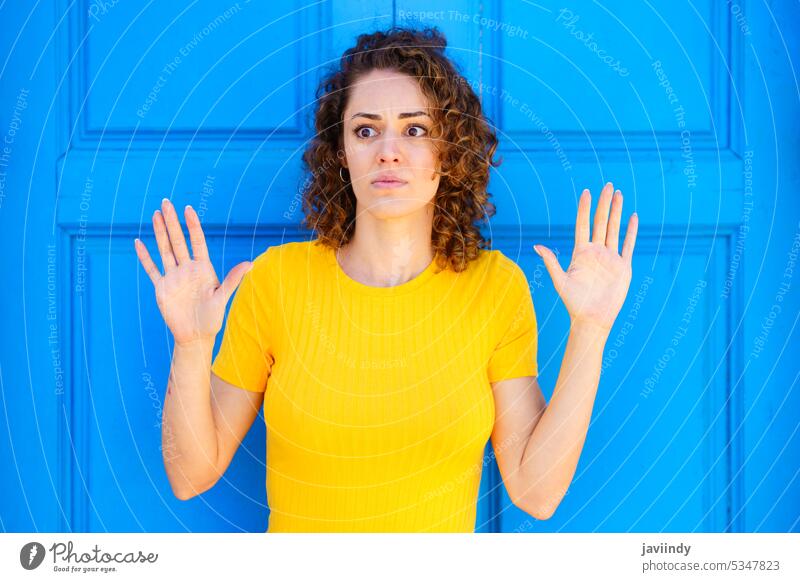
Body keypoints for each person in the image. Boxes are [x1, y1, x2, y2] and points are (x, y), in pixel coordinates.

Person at [133, 26, 638, 532]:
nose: (388, 152)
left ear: (449, 151)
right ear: (342, 152)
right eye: (366, 130)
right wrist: (192, 343)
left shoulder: (495, 288)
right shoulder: (275, 282)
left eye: (415, 129)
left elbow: (537, 491)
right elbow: (190, 475)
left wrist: (590, 331)